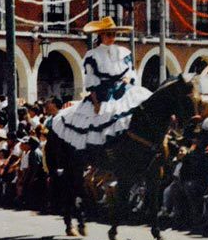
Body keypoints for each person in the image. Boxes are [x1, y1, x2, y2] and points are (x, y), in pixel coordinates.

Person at [50, 17, 152, 151]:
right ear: (101, 35)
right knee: (104, 118)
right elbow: (91, 82)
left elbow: (131, 72)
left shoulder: (123, 52)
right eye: (109, 34)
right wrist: (96, 102)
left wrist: (127, 79)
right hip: (103, 93)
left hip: (124, 90)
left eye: (114, 34)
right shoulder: (93, 55)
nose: (112, 37)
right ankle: (108, 149)